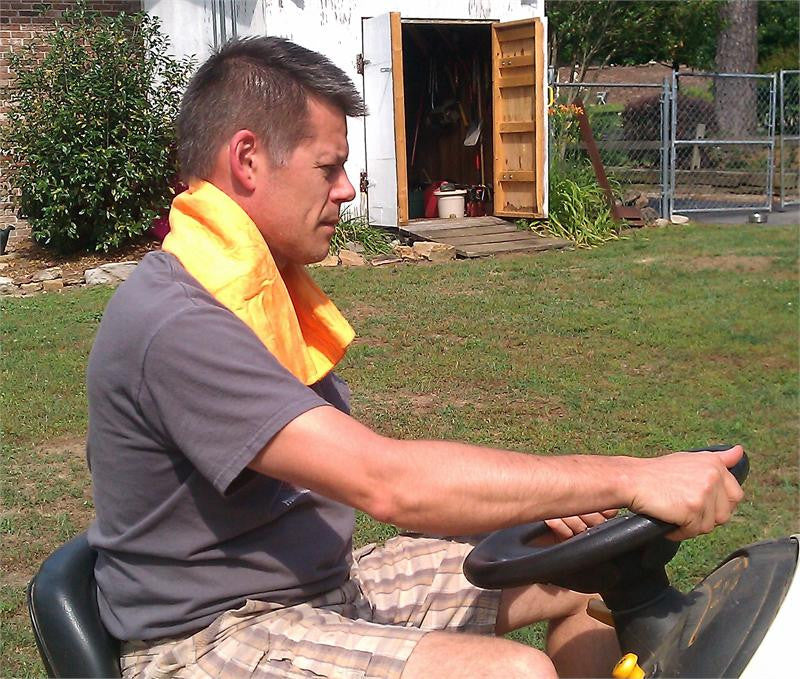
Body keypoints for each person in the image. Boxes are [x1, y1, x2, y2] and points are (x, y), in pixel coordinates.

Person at [86, 36, 745, 679]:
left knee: (583, 576)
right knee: (510, 673)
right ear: (248, 160)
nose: (347, 189)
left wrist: (557, 499)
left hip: (323, 586)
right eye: (328, 167)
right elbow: (389, 481)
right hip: (208, 638)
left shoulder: (254, 290)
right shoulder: (178, 321)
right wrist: (629, 477)